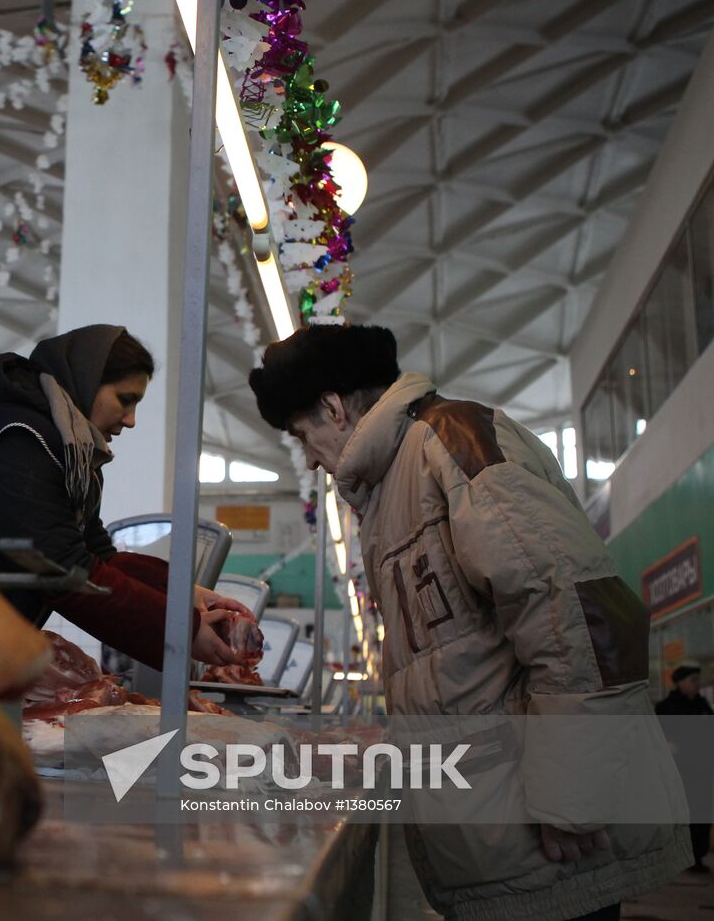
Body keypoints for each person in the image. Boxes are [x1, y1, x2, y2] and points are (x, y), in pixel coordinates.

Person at [248, 323, 689, 921]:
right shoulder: (393, 485)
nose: (310, 460)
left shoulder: (453, 445)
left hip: (549, 838)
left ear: (332, 407)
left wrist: (574, 799)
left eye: (303, 437)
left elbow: (575, 613)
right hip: (502, 834)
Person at [0, 324, 256, 670]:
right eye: (125, 399)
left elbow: (97, 555)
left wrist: (181, 593)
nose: (130, 420)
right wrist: (182, 628)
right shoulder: (15, 437)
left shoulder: (71, 453)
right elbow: (58, 566)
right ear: (86, 380)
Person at [656, 662, 712, 872]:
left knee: (701, 815)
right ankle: (678, 856)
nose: (697, 684)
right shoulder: (666, 708)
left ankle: (697, 856)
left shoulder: (703, 705)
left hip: (702, 771)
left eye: (698, 680)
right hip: (680, 772)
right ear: (680, 683)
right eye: (693, 680)